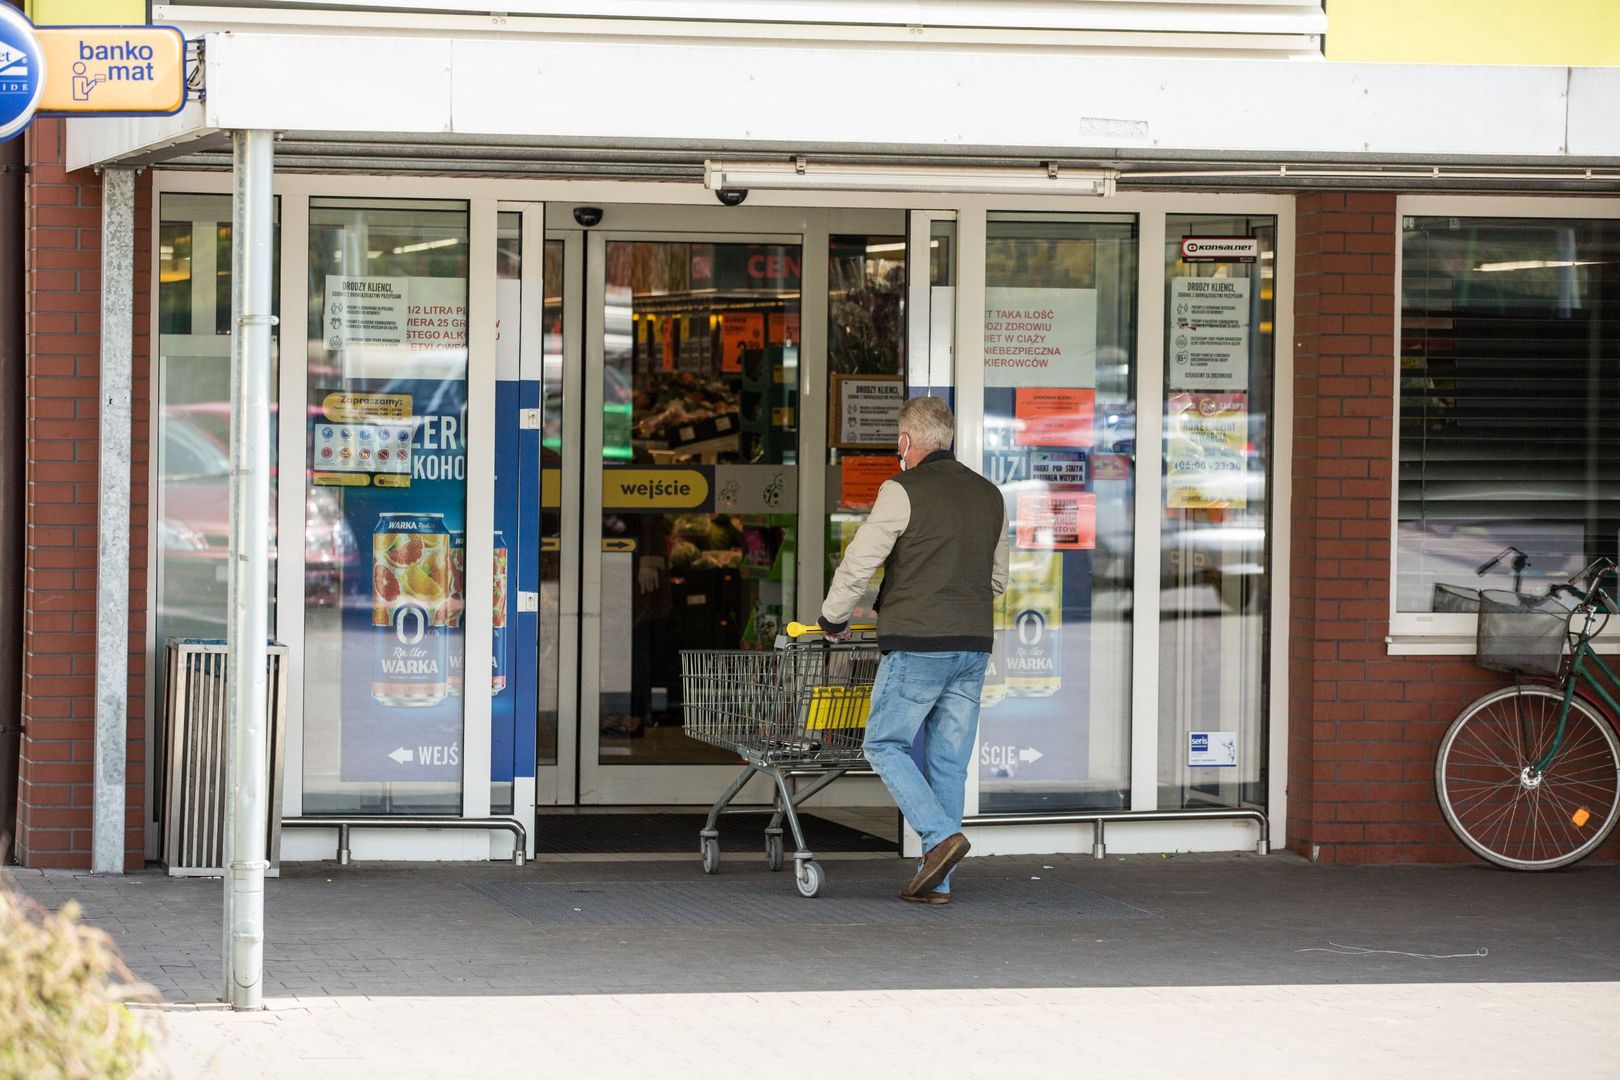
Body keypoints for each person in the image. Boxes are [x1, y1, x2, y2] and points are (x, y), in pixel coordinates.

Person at [819, 396, 1008, 904]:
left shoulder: (900, 490)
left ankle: (938, 837)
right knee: (948, 763)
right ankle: (937, 882)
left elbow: (859, 564)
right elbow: (997, 580)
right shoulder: (990, 495)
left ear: (906, 442)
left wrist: (832, 618)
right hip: (972, 646)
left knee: (884, 743)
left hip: (918, 643)